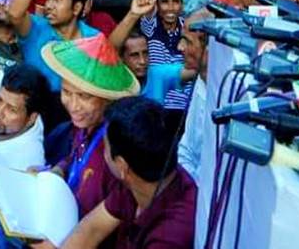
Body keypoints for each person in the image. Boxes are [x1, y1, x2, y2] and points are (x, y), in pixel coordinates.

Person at [58, 97, 196, 249]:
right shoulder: (140, 179)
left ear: (122, 166)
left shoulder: (171, 236)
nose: (103, 154)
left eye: (105, 148)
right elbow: (91, 230)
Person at [42, 34, 139, 216]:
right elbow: (74, 158)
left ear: (107, 100)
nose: (73, 105)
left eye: (84, 96)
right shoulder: (83, 125)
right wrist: (56, 172)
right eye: (66, 92)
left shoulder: (115, 149)